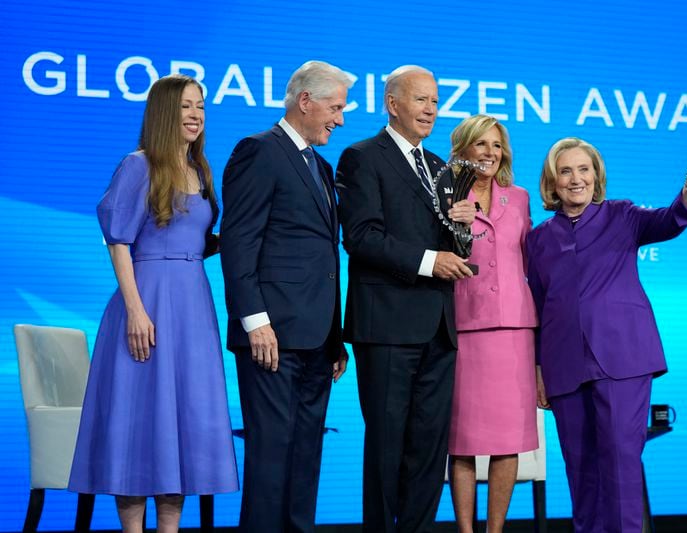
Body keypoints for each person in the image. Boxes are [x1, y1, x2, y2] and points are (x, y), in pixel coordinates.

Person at [526, 126, 687, 532]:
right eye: (565, 171)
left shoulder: (622, 216)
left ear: (596, 176)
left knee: (620, 463)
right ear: (552, 182)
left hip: (623, 359)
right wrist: (540, 371)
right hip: (564, 368)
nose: (576, 179)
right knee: (581, 472)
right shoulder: (538, 240)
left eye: (584, 169)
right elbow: (539, 309)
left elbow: (673, 219)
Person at [68, 74, 238, 533]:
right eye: (185, 106)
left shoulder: (201, 171)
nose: (196, 115)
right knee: (139, 424)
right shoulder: (138, 165)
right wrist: (136, 311)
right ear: (164, 112)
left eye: (200, 106)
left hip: (193, 306)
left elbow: (198, 241)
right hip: (146, 301)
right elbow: (118, 241)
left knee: (180, 425)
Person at [336, 65, 476, 533]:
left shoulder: (441, 167)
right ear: (393, 103)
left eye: (435, 101)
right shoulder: (361, 157)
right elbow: (361, 236)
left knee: (429, 449)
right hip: (388, 325)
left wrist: (461, 229)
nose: (431, 110)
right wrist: (428, 261)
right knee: (387, 448)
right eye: (421, 100)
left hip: (439, 326)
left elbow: (455, 247)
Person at [219, 60, 351, 533]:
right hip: (271, 335)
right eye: (335, 108)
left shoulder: (320, 164)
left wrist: (335, 337)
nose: (340, 119)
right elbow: (239, 242)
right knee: (272, 457)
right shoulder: (258, 151)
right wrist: (255, 321)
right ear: (305, 101)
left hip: (316, 339)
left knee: (304, 457)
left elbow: (324, 258)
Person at [446, 115, 539, 533]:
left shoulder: (518, 197)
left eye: (496, 145)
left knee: (508, 439)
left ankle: (495, 530)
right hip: (464, 327)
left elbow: (531, 259)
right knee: (462, 440)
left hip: (515, 331)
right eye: (480, 144)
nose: (488, 153)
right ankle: (465, 530)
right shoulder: (444, 194)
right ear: (463, 148)